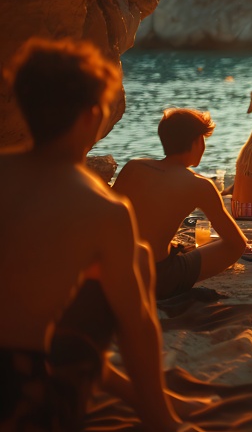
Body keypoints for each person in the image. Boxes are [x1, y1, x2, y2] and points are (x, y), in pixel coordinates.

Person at [0, 38, 193, 431]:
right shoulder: (101, 208)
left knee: (132, 254)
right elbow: (137, 325)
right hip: (24, 396)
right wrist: (163, 421)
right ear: (91, 116)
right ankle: (159, 415)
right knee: (131, 269)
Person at [113, 109, 249, 300]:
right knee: (234, 246)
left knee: (177, 245)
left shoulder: (133, 167)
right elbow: (236, 243)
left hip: (115, 269)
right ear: (196, 142)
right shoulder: (199, 185)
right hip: (157, 277)